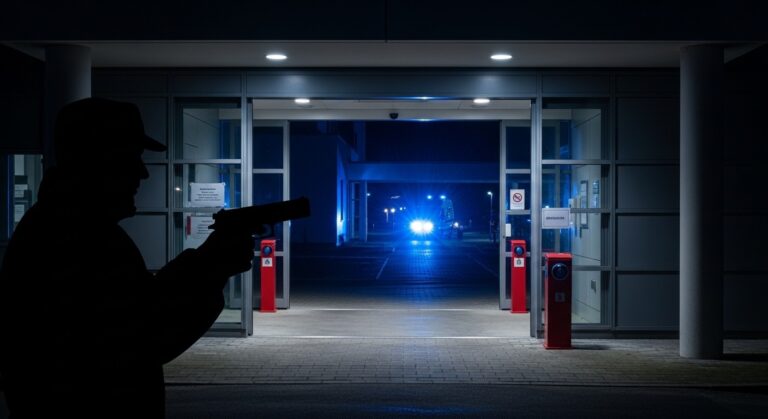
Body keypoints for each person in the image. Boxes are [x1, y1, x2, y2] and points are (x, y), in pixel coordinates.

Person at [0, 97, 255, 418]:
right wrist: (211, 269)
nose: (143, 173)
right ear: (96, 160)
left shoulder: (64, 229)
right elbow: (143, 339)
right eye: (130, 158)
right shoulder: (80, 240)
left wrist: (207, 264)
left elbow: (138, 313)